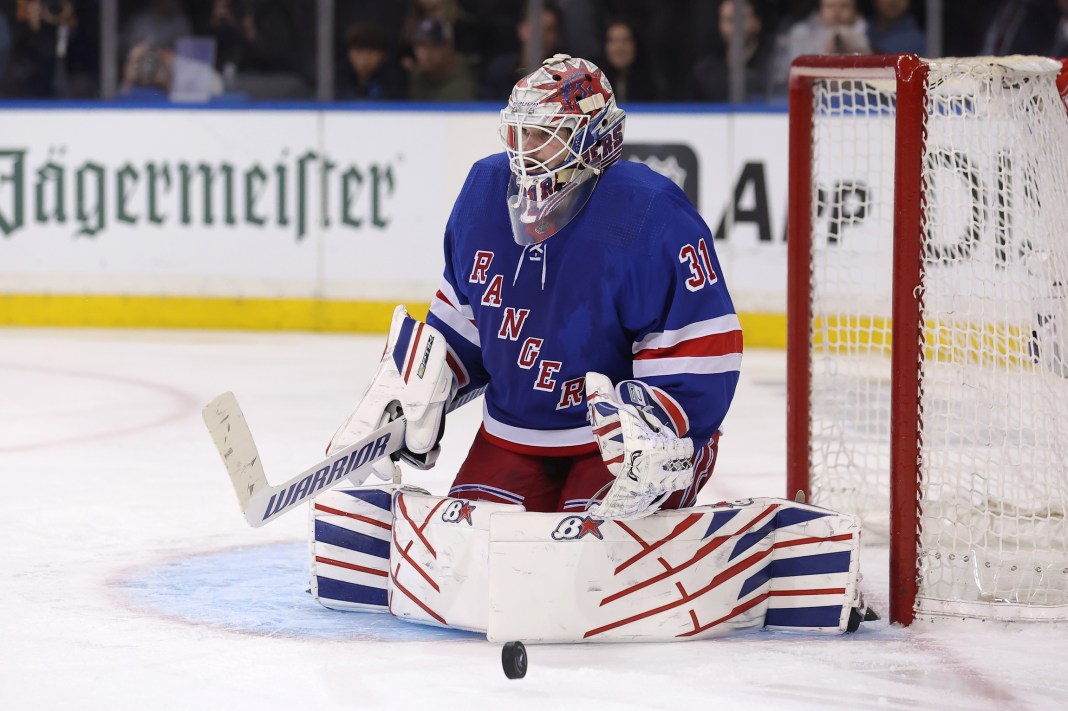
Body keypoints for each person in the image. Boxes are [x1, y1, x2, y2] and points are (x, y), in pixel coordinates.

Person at [329, 54, 742, 519]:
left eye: (544, 135)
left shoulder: (650, 213)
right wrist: (413, 388)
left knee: (586, 554)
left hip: (617, 447)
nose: (524, 149)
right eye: (521, 132)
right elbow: (465, 323)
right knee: (472, 555)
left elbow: (703, 348)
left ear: (593, 141)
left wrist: (657, 428)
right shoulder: (485, 191)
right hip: (514, 435)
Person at [688, 0, 774, 103]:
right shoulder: (705, 74)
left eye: (741, 19)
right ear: (720, 25)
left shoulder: (773, 68)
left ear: (757, 23)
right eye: (729, 20)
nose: (735, 27)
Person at [406, 17, 477, 101]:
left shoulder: (464, 84)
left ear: (449, 46)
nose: (424, 54)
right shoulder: (416, 77)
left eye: (433, 46)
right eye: (420, 45)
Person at [335, 21, 406, 101]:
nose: (365, 58)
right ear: (349, 53)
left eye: (371, 52)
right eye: (359, 51)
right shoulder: (335, 81)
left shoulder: (397, 84)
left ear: (384, 55)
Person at [598, 18, 659, 102]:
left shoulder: (654, 82)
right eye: (613, 41)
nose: (619, 48)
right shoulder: (592, 84)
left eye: (626, 40)